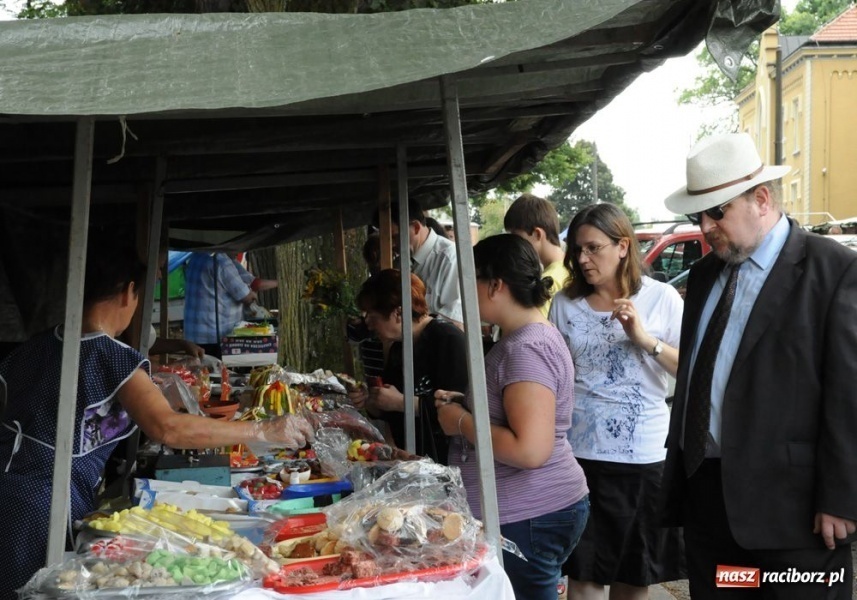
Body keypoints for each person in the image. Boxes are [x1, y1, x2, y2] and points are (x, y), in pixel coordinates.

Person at [0, 239, 313, 598]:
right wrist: (265, 429)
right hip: (45, 503)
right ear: (128, 292)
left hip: (9, 485)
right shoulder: (110, 356)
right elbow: (168, 428)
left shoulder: (37, 346)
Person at [659, 132, 857, 600]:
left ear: (761, 199)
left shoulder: (833, 270)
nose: (705, 226)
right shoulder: (707, 275)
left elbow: (849, 394)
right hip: (711, 508)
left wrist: (842, 498)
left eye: (716, 212)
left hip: (795, 519)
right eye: (697, 214)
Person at [433, 234, 590, 600]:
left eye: (469, 284)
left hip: (529, 514)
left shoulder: (526, 347)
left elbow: (530, 450)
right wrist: (469, 405)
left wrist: (461, 422)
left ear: (495, 286)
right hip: (530, 511)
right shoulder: (524, 339)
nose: (464, 296)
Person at [548, 203, 684, 600]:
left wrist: (645, 340)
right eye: (577, 250)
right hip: (581, 458)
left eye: (593, 248)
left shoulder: (663, 298)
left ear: (623, 246)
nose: (583, 259)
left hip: (643, 459)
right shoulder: (565, 304)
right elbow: (558, 377)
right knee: (583, 577)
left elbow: (691, 370)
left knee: (632, 578)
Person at [350, 269, 467, 464]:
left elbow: (461, 408)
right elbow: (389, 406)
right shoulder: (398, 346)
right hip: (414, 460)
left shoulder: (448, 340)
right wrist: (371, 399)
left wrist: (400, 402)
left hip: (447, 463)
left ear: (398, 312)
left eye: (373, 316)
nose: (369, 325)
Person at [377, 199, 463, 326]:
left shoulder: (450, 258)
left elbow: (456, 324)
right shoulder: (402, 261)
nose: (391, 245)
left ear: (416, 227)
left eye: (395, 237)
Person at [183, 252, 277, 357]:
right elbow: (247, 297)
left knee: (201, 371)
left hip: (193, 336)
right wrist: (253, 293)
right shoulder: (222, 262)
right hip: (215, 338)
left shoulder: (196, 256)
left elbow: (252, 282)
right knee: (217, 371)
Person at [504, 192, 571, 317]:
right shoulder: (571, 266)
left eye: (517, 237)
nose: (514, 244)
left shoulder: (549, 281)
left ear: (537, 234)